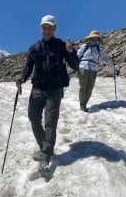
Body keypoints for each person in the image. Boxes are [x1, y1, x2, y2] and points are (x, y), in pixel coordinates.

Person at [15, 15, 79, 166]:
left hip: (55, 89)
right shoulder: (35, 48)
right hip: (37, 87)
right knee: (33, 117)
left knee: (50, 121)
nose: (47, 30)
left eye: (50, 27)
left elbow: (75, 65)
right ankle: (44, 145)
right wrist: (22, 79)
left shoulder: (62, 46)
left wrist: (71, 52)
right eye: (45, 27)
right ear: (41, 28)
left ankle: (46, 152)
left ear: (54, 29)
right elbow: (28, 68)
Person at [77, 30, 112, 112]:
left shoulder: (99, 48)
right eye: (93, 38)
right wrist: (74, 65)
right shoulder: (84, 46)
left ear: (98, 39)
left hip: (93, 69)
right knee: (83, 87)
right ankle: (82, 105)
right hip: (83, 67)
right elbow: (78, 56)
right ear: (90, 38)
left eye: (96, 38)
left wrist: (110, 62)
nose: (94, 39)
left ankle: (84, 103)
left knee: (90, 88)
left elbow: (103, 58)